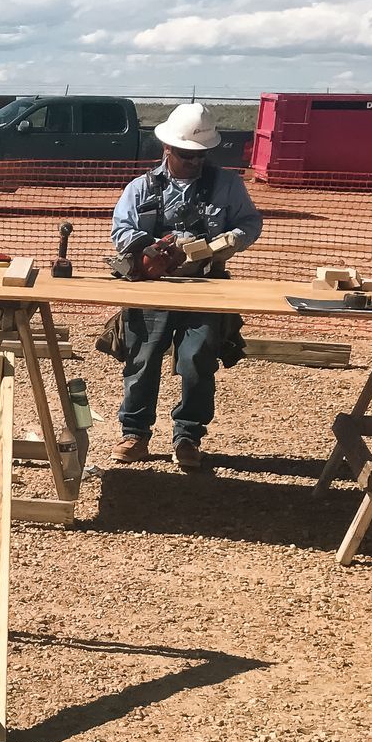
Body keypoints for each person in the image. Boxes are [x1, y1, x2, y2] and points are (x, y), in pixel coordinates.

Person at [109, 103, 263, 470]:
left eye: (201, 155)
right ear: (168, 148)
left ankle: (188, 436)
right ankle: (135, 433)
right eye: (186, 154)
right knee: (142, 360)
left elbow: (250, 223)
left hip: (206, 287)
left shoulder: (228, 185)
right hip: (152, 288)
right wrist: (150, 247)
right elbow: (120, 232)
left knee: (197, 361)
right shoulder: (139, 187)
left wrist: (227, 242)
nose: (194, 161)